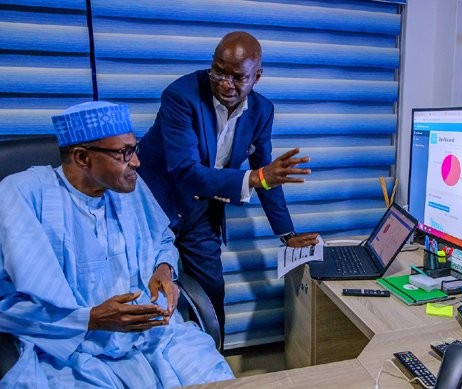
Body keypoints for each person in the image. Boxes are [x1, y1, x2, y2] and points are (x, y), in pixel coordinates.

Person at [0, 101, 234, 387]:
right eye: (125, 152)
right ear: (83, 157)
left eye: (134, 149)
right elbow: (8, 304)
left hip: (153, 335)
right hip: (70, 349)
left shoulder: (127, 187)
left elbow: (162, 240)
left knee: (215, 377)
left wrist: (163, 270)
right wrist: (93, 319)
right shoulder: (22, 194)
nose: (136, 162)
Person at [137, 31, 320, 338]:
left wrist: (287, 234)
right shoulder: (180, 96)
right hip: (153, 209)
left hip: (198, 213)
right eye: (219, 71)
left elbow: (267, 174)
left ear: (256, 76)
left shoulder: (262, 111)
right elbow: (185, 170)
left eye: (237, 77)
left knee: (210, 294)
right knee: (149, 294)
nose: (225, 83)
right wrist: (257, 177)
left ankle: (210, 366)